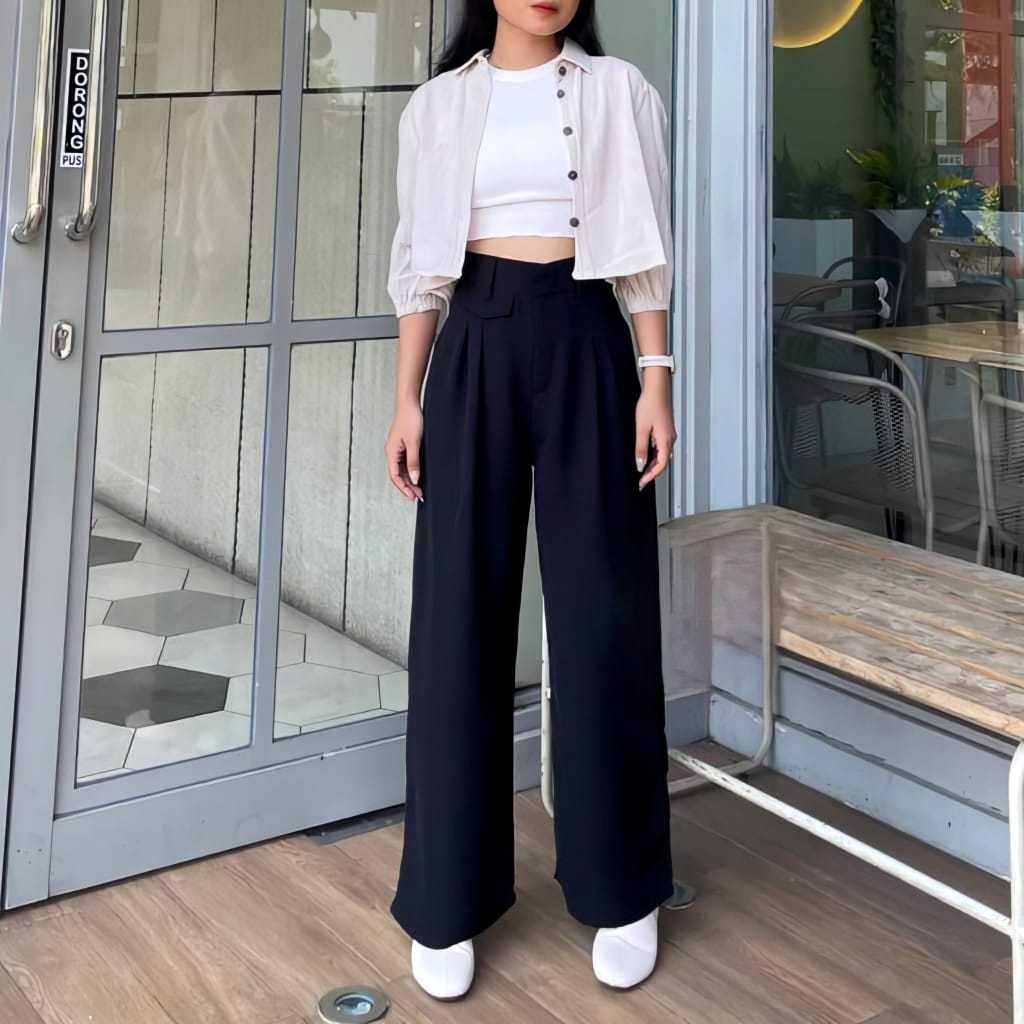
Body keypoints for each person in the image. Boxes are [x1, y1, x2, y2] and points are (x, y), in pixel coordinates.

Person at [383, 0, 677, 1000]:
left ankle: (623, 886)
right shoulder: (436, 106)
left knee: (605, 614)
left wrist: (656, 379)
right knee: (457, 616)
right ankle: (445, 898)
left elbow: (644, 248)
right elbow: (421, 266)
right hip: (474, 341)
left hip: (588, 338)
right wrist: (407, 399)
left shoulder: (619, 91)